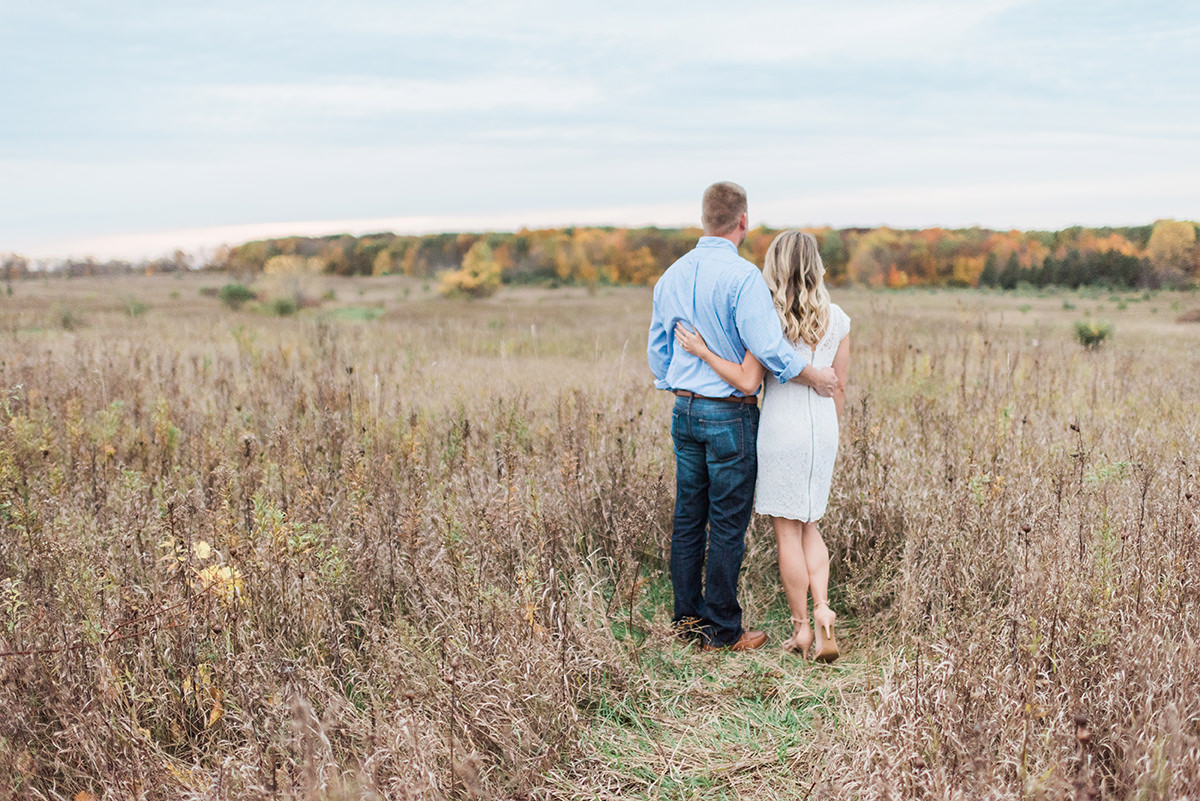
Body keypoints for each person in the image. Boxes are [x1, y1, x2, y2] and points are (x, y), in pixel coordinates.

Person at [647, 183, 838, 652]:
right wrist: (813, 375)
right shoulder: (743, 278)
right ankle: (723, 630)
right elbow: (771, 350)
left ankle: (686, 623)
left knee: (688, 518)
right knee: (727, 522)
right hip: (728, 413)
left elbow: (657, 353)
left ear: (704, 219)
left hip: (684, 410)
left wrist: (678, 381)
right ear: (743, 222)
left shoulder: (670, 276)